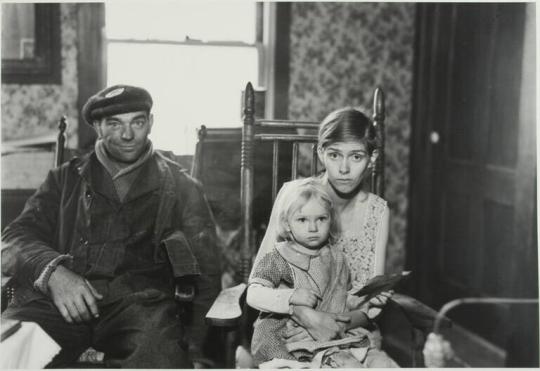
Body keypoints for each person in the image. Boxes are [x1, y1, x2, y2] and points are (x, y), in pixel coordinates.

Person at [1, 85, 221, 368]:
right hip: (61, 304)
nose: (128, 135)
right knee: (9, 349)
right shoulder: (65, 179)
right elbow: (14, 237)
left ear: (150, 123)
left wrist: (195, 350)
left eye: (137, 122)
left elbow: (206, 274)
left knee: (161, 358)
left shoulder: (182, 187)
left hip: (142, 311)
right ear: (97, 127)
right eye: (115, 124)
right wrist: (54, 273)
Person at [249, 107, 396, 366]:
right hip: (288, 330)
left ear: (372, 158)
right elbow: (259, 280)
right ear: (320, 153)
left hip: (350, 331)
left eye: (357, 156)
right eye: (334, 154)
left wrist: (337, 323)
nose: (344, 168)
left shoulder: (378, 211)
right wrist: (307, 315)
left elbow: (373, 303)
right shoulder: (293, 194)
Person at [248, 180, 388, 367]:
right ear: (287, 224)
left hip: (327, 335)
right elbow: (253, 294)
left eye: (321, 219)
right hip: (286, 338)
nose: (313, 228)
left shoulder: (337, 258)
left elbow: (341, 298)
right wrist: (290, 296)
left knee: (372, 362)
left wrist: (366, 298)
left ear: (331, 220)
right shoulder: (278, 257)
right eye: (302, 219)